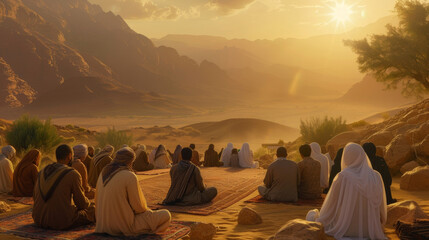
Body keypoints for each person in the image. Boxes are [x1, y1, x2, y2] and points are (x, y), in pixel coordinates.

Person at [306, 143, 387, 240]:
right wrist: (378, 224)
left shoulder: (343, 176)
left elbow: (331, 203)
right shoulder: (376, 176)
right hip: (370, 228)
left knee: (312, 215)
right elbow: (381, 206)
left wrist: (324, 217)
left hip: (345, 228)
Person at [95, 147, 171, 236]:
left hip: (102, 226)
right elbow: (139, 208)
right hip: (124, 226)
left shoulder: (103, 173)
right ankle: (142, 234)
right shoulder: (129, 176)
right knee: (166, 215)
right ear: (130, 161)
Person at [33, 144, 95, 230]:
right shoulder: (72, 173)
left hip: (38, 218)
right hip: (61, 221)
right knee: (93, 210)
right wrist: (90, 203)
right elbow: (82, 204)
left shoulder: (42, 171)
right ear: (70, 156)